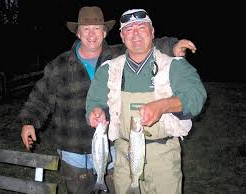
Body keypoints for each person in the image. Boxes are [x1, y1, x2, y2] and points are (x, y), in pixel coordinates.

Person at [19, 6, 197, 194]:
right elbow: (39, 97)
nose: (91, 34)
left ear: (104, 32)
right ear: (78, 33)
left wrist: (172, 46)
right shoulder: (59, 65)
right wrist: (28, 122)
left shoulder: (119, 56)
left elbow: (145, 43)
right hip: (73, 152)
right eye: (85, 29)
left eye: (96, 29)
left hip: (112, 150)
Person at [86, 8, 207, 194]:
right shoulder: (108, 70)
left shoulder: (175, 66)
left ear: (152, 32)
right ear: (122, 36)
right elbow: (94, 101)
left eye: (141, 27)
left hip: (164, 159)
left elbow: (196, 98)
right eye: (129, 29)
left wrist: (163, 105)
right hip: (123, 159)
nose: (135, 33)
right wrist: (96, 112)